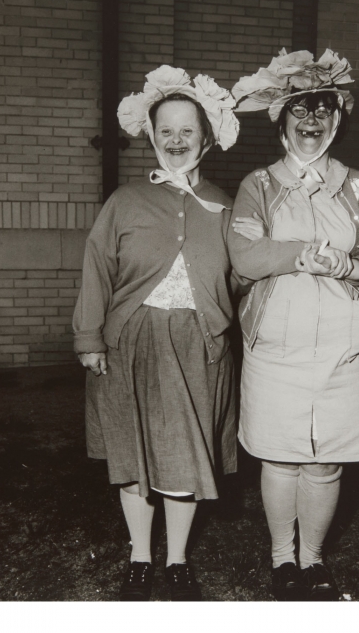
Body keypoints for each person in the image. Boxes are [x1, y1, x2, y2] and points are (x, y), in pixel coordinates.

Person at [227, 49, 359, 601]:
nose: (312, 118)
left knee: (325, 465)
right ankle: (281, 558)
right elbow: (247, 258)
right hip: (276, 348)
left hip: (345, 354)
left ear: (337, 119)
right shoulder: (259, 185)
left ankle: (313, 559)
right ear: (282, 118)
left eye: (323, 107)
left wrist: (353, 264)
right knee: (280, 457)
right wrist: (301, 255)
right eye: (300, 107)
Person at [73, 66, 244, 601]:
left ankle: (177, 561)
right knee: (134, 457)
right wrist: (89, 339)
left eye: (187, 131)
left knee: (183, 459)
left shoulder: (226, 205)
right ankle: (140, 556)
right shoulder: (124, 201)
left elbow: (242, 277)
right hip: (131, 343)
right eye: (165, 130)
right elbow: (96, 269)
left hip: (199, 346)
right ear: (151, 136)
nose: (176, 140)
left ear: (207, 138)